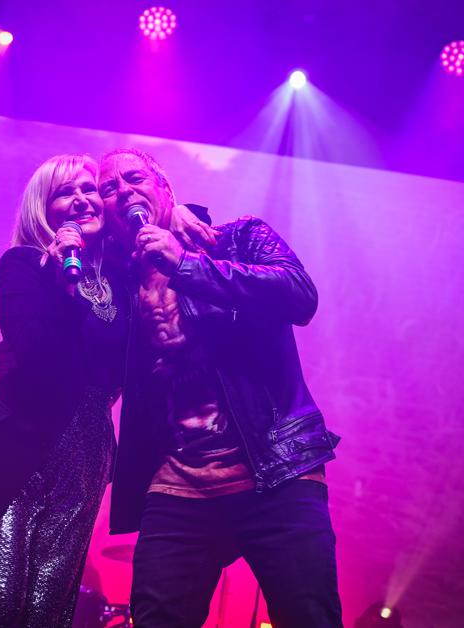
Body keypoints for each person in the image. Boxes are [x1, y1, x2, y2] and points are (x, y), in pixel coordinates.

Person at [0, 153, 214, 627]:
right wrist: (62, 280)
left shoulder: (119, 274)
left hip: (88, 448)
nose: (81, 200)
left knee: (49, 603)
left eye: (88, 189)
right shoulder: (23, 265)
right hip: (21, 439)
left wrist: (181, 211)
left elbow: (161, 226)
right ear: (43, 208)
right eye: (65, 192)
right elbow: (36, 350)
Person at [98, 148, 344, 628]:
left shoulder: (237, 239)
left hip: (276, 472)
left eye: (135, 179)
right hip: (178, 485)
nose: (124, 191)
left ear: (166, 190)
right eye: (110, 188)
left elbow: (300, 295)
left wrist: (185, 263)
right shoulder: (117, 285)